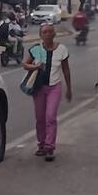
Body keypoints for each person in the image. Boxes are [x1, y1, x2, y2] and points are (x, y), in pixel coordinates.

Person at [22, 23, 72, 162]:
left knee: (50, 117)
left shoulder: (62, 49)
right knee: (40, 118)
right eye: (44, 32)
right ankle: (42, 144)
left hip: (54, 87)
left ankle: (50, 147)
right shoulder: (36, 49)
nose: (48, 34)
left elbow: (66, 70)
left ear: (54, 34)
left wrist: (69, 88)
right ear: (40, 35)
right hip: (39, 88)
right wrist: (34, 66)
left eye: (50, 31)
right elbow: (25, 65)